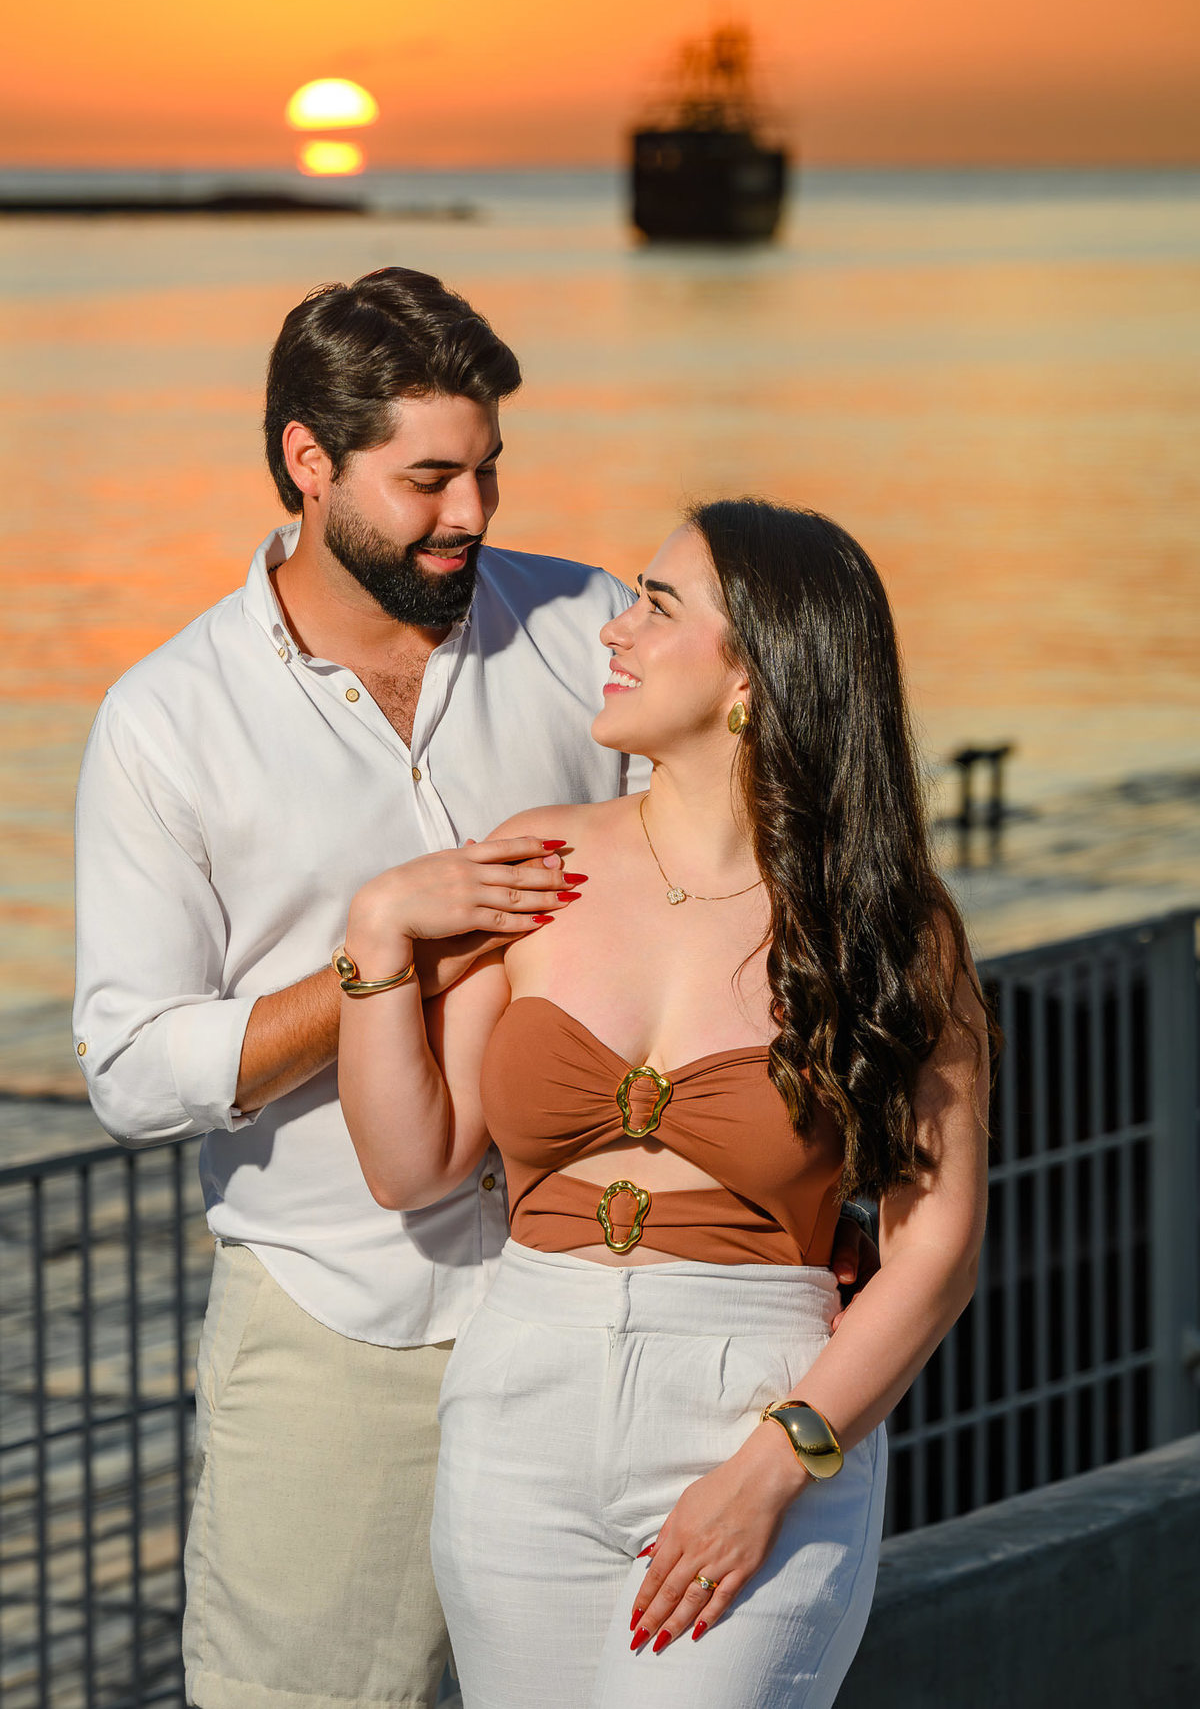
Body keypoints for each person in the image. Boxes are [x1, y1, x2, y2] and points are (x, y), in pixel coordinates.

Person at [72, 272, 873, 1709]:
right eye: (428, 476)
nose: (474, 513)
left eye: (489, 469)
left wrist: (810, 1177)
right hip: (341, 1331)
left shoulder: (583, 631)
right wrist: (393, 956)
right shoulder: (166, 721)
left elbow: (738, 900)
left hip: (616, 1320)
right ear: (309, 464)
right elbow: (132, 1068)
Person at [338, 498, 992, 1709]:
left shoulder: (889, 926)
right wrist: (376, 933)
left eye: (658, 603)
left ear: (755, 671)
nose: (615, 631)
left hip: (756, 1400)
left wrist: (779, 1463)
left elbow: (935, 1247)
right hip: (523, 1395)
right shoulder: (539, 859)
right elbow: (411, 1161)